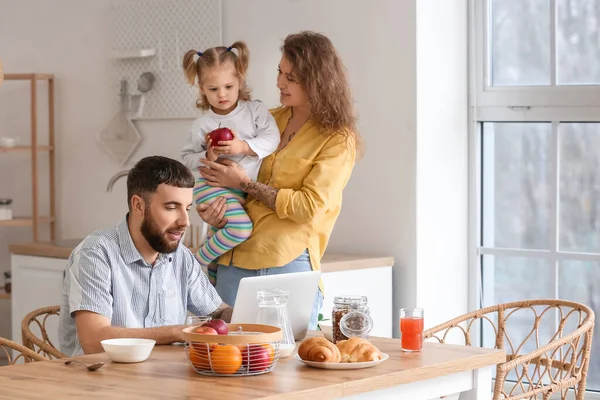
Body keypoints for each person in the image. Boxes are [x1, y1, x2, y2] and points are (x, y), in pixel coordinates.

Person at [197, 31, 361, 330]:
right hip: (235, 261)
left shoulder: (337, 139)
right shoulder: (265, 119)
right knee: (224, 361)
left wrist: (246, 184)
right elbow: (220, 170)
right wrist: (212, 208)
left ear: (318, 82)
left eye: (292, 78)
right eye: (279, 72)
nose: (279, 83)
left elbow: (309, 208)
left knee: (287, 370)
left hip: (287, 263)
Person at [58, 156, 233, 357]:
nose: (185, 221)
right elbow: (95, 341)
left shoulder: (181, 257)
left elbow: (217, 312)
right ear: (138, 205)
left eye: (187, 209)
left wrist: (254, 317)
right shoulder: (96, 253)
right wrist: (176, 332)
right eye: (171, 207)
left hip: (163, 379)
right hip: (99, 381)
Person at [180, 41, 280, 286]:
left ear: (240, 81)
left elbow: (272, 138)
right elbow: (185, 158)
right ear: (202, 89)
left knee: (220, 243)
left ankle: (211, 288)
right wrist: (208, 157)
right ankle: (193, 262)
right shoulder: (202, 124)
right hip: (211, 186)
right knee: (239, 230)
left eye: (228, 86)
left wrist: (243, 147)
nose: (222, 94)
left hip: (239, 190)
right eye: (213, 89)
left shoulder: (254, 111)